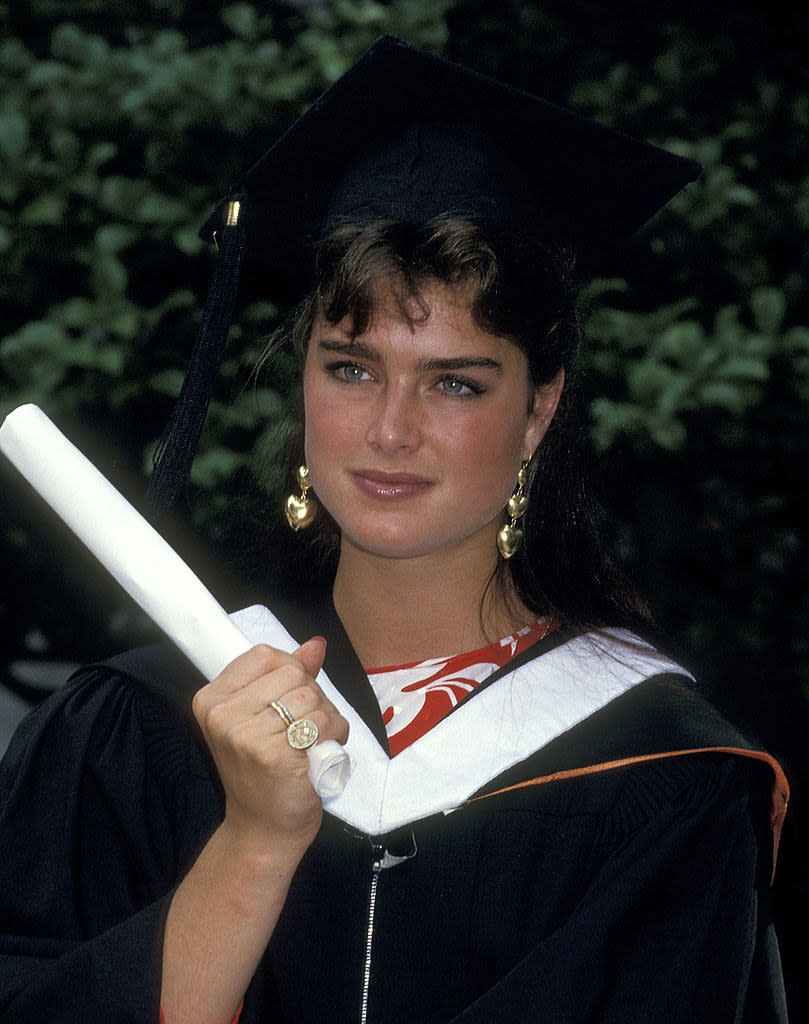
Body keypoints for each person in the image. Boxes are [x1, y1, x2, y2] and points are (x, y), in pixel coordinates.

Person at [0, 36, 789, 1024]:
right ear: (303, 381)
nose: (388, 429)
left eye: (454, 381)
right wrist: (250, 842)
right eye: (349, 365)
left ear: (539, 410)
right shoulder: (128, 732)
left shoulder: (663, 781)